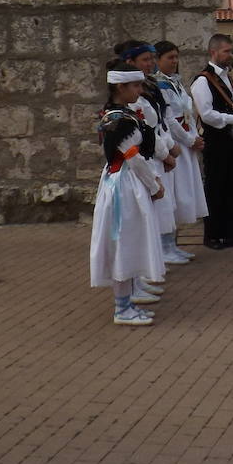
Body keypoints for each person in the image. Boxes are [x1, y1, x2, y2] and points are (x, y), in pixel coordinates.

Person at [89, 61, 165, 326]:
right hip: (125, 186)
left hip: (124, 182)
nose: (139, 90)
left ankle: (129, 298)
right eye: (134, 85)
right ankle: (122, 308)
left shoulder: (119, 114)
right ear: (120, 87)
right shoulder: (119, 120)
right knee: (123, 240)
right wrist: (154, 185)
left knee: (130, 239)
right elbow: (133, 158)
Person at [116, 40, 188, 268]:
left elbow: (161, 121)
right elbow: (146, 130)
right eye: (145, 60)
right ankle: (152, 260)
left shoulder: (151, 86)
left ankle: (165, 249)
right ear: (130, 62)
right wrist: (165, 152)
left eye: (151, 59)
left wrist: (169, 146)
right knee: (152, 211)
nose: (151, 64)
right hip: (147, 157)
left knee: (166, 207)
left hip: (158, 150)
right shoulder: (132, 96)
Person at [190, 33, 233, 250]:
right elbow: (207, 114)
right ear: (213, 52)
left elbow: (231, 105)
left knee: (231, 188)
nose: (230, 55)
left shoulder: (226, 76)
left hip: (231, 141)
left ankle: (232, 233)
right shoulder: (202, 81)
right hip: (215, 142)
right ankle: (212, 235)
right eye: (226, 51)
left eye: (230, 51)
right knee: (215, 189)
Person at [154, 41, 209, 248]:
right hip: (175, 143)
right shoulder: (159, 85)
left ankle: (172, 243)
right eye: (169, 57)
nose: (175, 61)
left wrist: (195, 136)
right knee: (173, 194)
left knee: (183, 192)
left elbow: (188, 112)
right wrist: (188, 139)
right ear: (158, 60)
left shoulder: (175, 82)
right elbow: (169, 119)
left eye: (176, 57)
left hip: (187, 142)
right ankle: (165, 245)